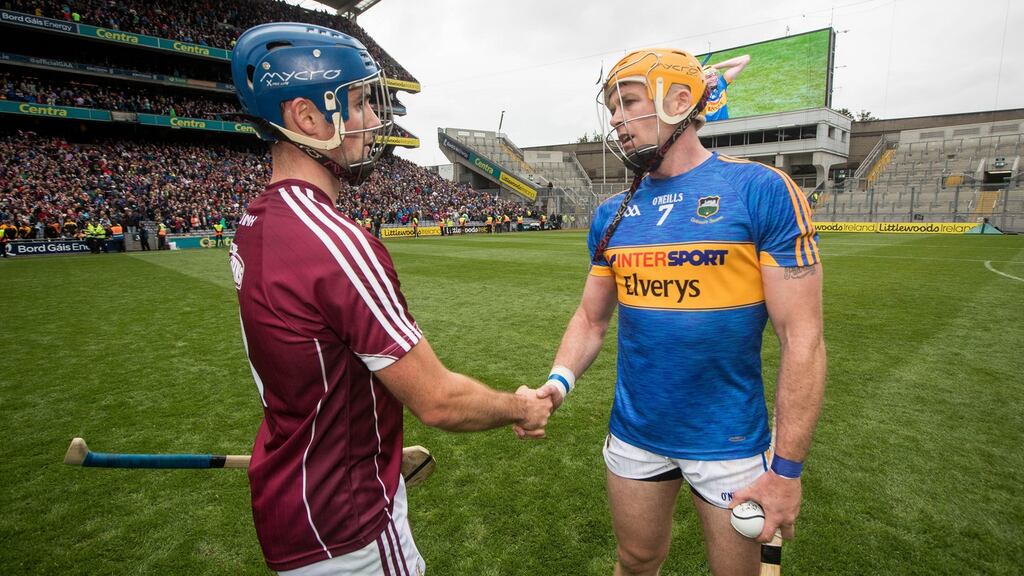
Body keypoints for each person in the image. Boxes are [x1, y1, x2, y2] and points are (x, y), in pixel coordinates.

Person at [228, 23, 553, 576]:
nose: (376, 121)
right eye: (356, 103)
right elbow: (439, 401)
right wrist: (521, 407)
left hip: (295, 511)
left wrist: (364, 446)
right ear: (307, 118)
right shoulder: (337, 244)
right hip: (349, 528)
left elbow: (314, 377)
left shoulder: (253, 223)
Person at [524, 48, 825, 576]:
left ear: (679, 101)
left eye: (629, 103)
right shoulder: (611, 214)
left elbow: (802, 338)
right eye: (612, 107)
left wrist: (787, 470)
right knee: (636, 560)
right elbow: (591, 319)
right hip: (635, 433)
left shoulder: (761, 191)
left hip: (730, 440)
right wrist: (559, 380)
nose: (615, 119)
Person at [703, 54, 750, 122]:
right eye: (709, 76)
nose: (714, 78)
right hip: (708, 130)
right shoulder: (698, 93)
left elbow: (745, 59)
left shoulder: (721, 83)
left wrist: (713, 67)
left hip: (725, 128)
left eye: (715, 74)